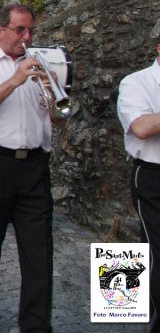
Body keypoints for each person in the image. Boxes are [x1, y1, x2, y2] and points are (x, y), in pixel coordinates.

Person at [0, 3, 64, 333]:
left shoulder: (41, 64)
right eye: (20, 30)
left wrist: (53, 93)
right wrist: (15, 80)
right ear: (0, 30)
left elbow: (56, 116)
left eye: (31, 30)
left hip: (33, 165)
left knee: (39, 248)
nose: (27, 37)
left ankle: (35, 323)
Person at [117, 36, 160, 331]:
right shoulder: (136, 81)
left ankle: (126, 306)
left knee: (148, 247)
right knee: (156, 251)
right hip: (152, 174)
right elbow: (142, 127)